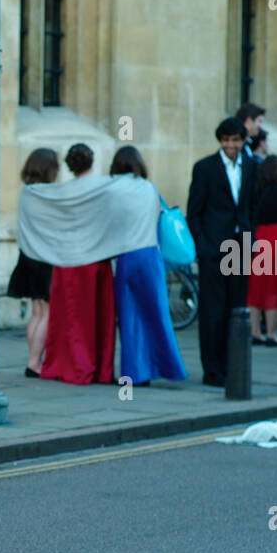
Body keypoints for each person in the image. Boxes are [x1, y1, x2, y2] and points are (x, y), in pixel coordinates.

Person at [186, 117, 259, 386]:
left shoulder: (251, 167)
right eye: (226, 140)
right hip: (214, 250)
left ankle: (233, 367)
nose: (231, 145)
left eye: (236, 140)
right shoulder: (205, 168)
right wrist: (203, 247)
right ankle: (212, 370)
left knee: (236, 311)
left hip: (240, 248)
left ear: (243, 141)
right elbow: (193, 212)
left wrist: (251, 240)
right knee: (212, 312)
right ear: (220, 141)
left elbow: (252, 206)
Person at [107, 146, 188, 384]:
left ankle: (134, 372)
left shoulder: (112, 190)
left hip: (125, 257)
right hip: (150, 255)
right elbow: (158, 220)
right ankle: (170, 368)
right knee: (157, 315)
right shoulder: (149, 188)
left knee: (129, 318)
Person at [40, 143, 116, 385]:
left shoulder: (63, 191)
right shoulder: (104, 188)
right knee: (98, 316)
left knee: (70, 316)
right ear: (92, 161)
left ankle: (71, 365)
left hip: (68, 258)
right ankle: (99, 368)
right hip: (96, 258)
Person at [8, 148, 58, 377]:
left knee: (37, 312)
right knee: (45, 313)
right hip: (44, 258)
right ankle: (35, 362)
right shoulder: (45, 194)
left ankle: (33, 360)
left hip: (28, 257)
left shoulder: (27, 191)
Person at [246, 155, 277, 347]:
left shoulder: (256, 191)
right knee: (273, 289)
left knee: (255, 288)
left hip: (258, 237)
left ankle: (255, 331)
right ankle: (272, 333)